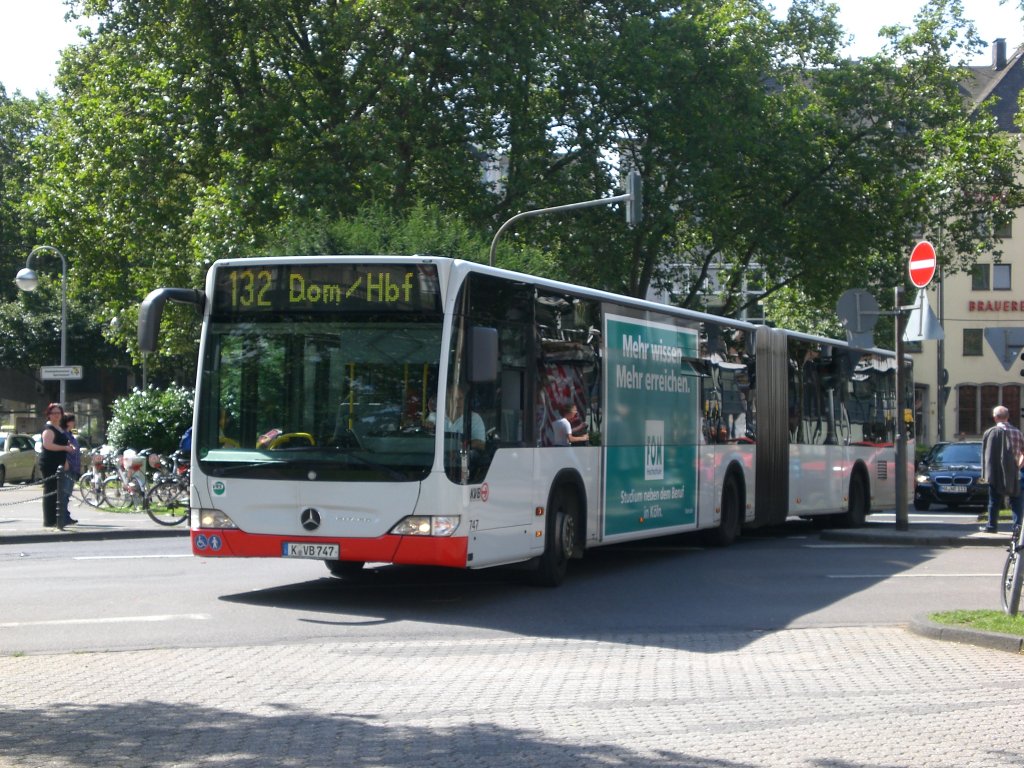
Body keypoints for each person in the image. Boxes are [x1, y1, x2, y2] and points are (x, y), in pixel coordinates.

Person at [980, 404, 1024, 533]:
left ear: (995, 418)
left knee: (994, 501)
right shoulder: (1017, 432)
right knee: (1016, 501)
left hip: (996, 473)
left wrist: (987, 474)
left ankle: (992, 526)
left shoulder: (992, 433)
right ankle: (1017, 528)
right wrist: (1019, 465)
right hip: (1014, 473)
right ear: (1008, 417)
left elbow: (988, 456)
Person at [37, 403, 73, 529]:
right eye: (54, 413)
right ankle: (49, 520)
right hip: (49, 463)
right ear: (49, 415)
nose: (56, 416)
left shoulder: (59, 428)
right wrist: (65, 448)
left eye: (59, 413)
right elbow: (48, 445)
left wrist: (65, 461)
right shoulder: (49, 428)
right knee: (50, 491)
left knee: (57, 492)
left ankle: (56, 519)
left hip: (59, 462)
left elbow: (63, 445)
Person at [441, 386, 486, 451]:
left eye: (460, 398)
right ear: (446, 400)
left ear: (465, 399)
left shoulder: (475, 418)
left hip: (464, 458)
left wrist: (463, 445)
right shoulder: (435, 416)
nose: (457, 402)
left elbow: (481, 444)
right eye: (453, 399)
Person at [59, 413, 81, 527]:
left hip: (74, 467)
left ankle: (66, 515)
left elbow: (80, 438)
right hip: (68, 467)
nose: (74, 423)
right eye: (73, 421)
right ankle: (63, 517)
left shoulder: (72, 433)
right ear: (67, 422)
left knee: (68, 493)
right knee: (64, 492)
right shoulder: (63, 434)